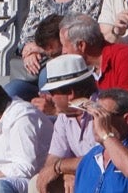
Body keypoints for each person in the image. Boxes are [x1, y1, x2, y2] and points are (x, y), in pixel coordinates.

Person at [59, 13, 128, 118]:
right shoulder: (88, 69)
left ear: (81, 45)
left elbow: (126, 113)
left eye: (64, 45)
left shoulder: (124, 57)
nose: (63, 52)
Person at [34, 54, 103, 193]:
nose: (49, 98)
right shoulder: (65, 116)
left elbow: (100, 161)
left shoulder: (104, 109)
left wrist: (60, 167)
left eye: (53, 92)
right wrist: (65, 173)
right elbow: (52, 160)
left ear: (70, 93)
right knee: (42, 181)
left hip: (116, 181)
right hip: (89, 177)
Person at [72, 88, 128, 192]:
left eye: (102, 116)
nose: (96, 122)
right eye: (94, 116)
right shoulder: (89, 159)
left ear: (126, 119)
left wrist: (105, 134)